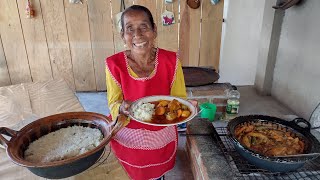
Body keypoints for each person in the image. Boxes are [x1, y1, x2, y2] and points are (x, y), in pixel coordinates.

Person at [105, 5, 189, 180]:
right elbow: (113, 103)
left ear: (154, 31)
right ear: (123, 36)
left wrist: (179, 112)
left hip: (160, 136)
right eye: (130, 29)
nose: (138, 34)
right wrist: (121, 107)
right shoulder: (113, 64)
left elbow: (180, 99)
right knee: (129, 174)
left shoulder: (171, 61)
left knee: (157, 176)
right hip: (128, 136)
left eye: (144, 26)